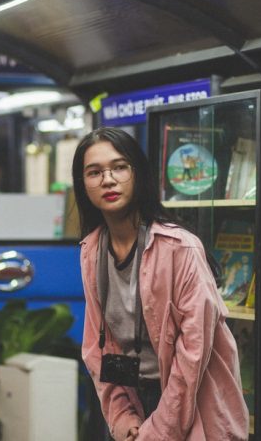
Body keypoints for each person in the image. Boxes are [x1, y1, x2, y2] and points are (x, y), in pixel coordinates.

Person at [72, 127, 249, 441]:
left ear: (138, 173)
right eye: (94, 172)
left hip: (194, 405)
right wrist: (121, 416)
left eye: (119, 167)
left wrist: (160, 429)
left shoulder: (180, 248)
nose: (108, 180)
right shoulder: (91, 250)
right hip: (135, 404)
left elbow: (193, 354)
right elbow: (97, 348)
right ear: (82, 184)